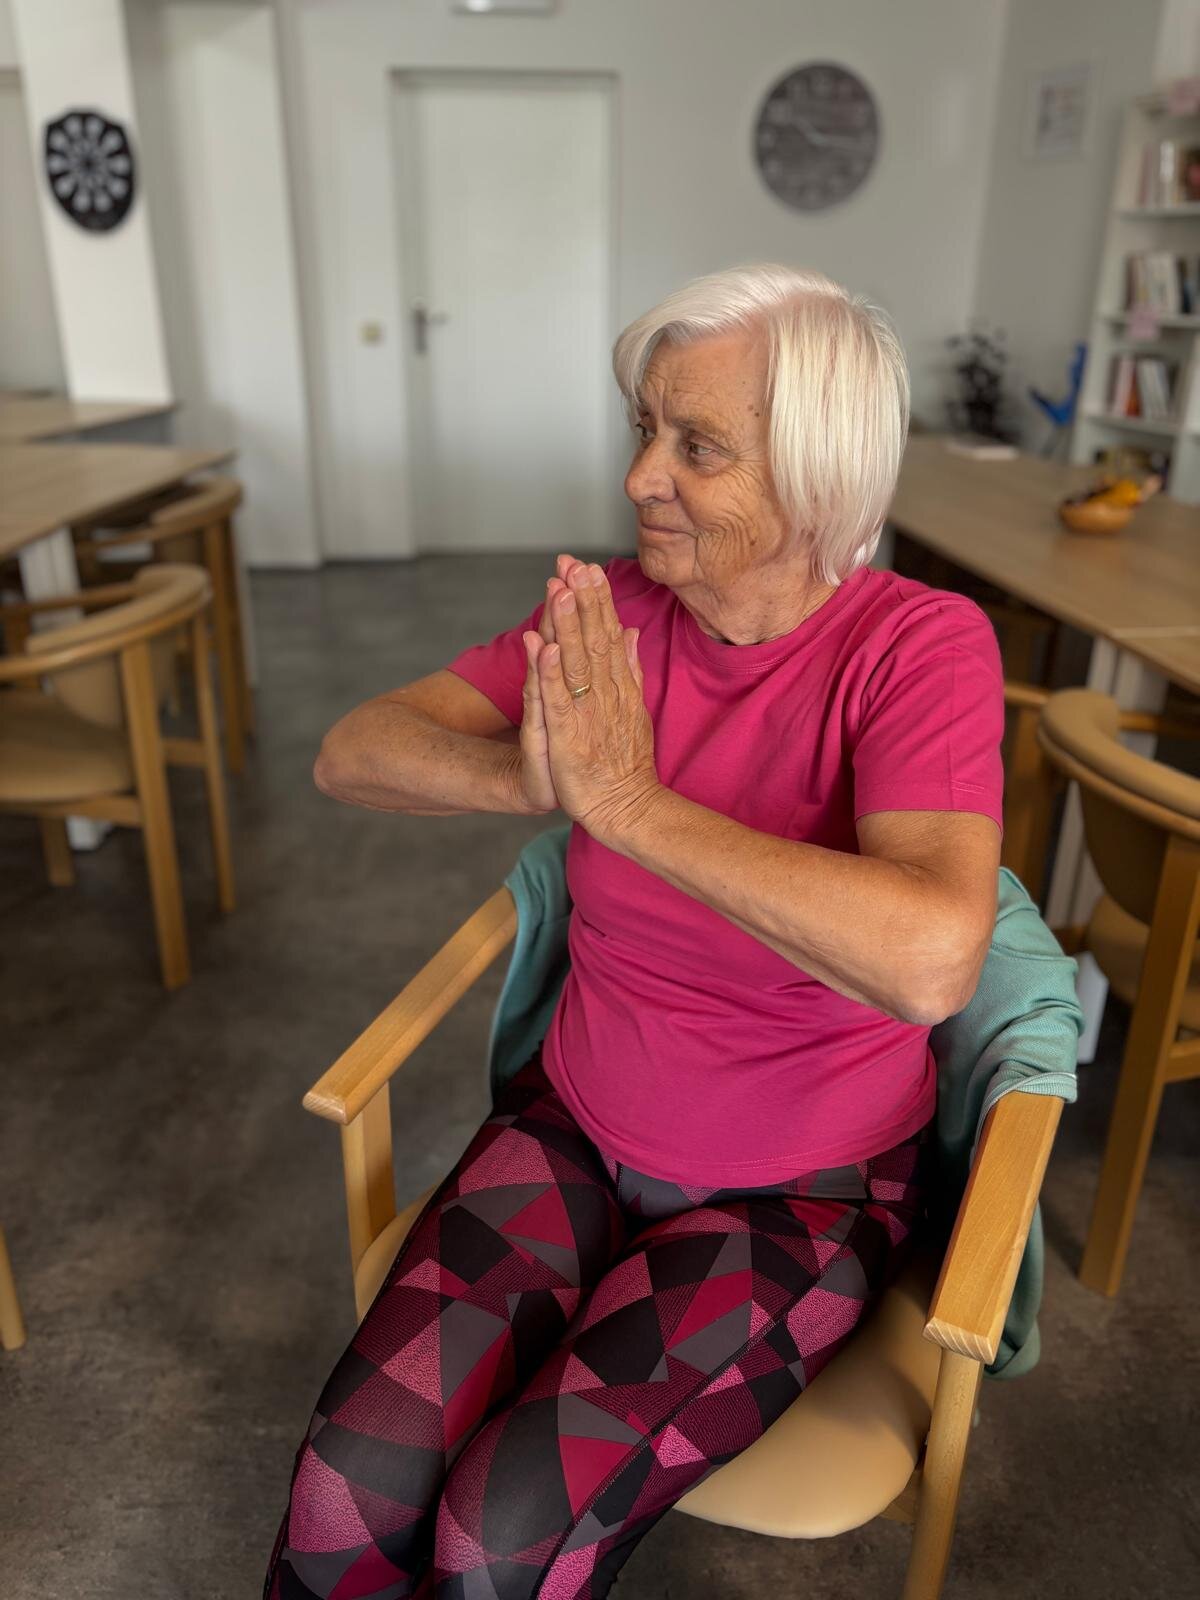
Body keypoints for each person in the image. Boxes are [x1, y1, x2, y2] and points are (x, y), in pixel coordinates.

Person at [267, 264, 1004, 1599]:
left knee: (499, 1536)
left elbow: (934, 957)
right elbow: (352, 749)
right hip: (575, 1127)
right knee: (347, 1484)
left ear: (818, 471)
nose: (640, 478)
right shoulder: (618, 620)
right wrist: (529, 777)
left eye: (697, 447)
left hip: (799, 1193)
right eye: (644, 430)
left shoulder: (917, 646)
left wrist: (629, 805)